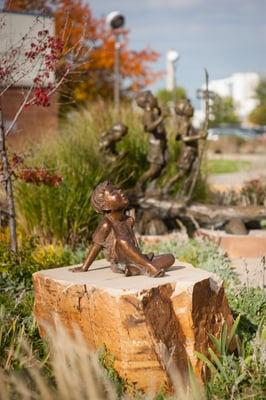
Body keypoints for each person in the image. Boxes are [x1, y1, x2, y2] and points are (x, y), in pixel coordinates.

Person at [71, 181, 174, 277]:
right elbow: (96, 246)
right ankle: (149, 267)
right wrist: (84, 267)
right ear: (105, 206)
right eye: (113, 192)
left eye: (117, 189)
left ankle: (137, 269)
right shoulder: (106, 224)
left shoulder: (128, 220)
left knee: (170, 258)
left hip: (135, 260)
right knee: (122, 241)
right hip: (120, 264)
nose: (119, 191)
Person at [163, 98, 207, 197]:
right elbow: (184, 138)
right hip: (187, 153)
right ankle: (166, 188)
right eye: (189, 107)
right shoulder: (185, 123)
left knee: (192, 174)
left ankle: (183, 193)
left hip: (192, 152)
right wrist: (199, 136)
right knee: (181, 174)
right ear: (183, 111)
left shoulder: (187, 123)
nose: (192, 108)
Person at [135, 91, 169, 193]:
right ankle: (139, 183)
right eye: (153, 97)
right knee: (154, 168)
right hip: (155, 144)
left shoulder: (152, 112)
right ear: (148, 102)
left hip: (161, 142)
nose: (156, 98)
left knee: (163, 166)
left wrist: (159, 110)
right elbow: (149, 128)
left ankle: (152, 187)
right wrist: (162, 118)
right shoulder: (147, 113)